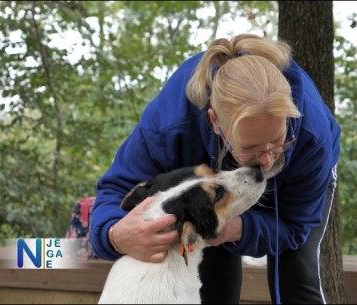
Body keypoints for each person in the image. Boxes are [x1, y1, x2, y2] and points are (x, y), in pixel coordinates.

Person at [90, 33, 341, 304]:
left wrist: (239, 229)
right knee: (211, 276)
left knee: (297, 278)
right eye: (251, 148)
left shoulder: (311, 135)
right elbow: (116, 191)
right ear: (215, 123)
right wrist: (115, 235)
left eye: (278, 141)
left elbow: (294, 227)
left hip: (294, 181)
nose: (266, 162)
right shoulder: (169, 127)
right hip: (211, 187)